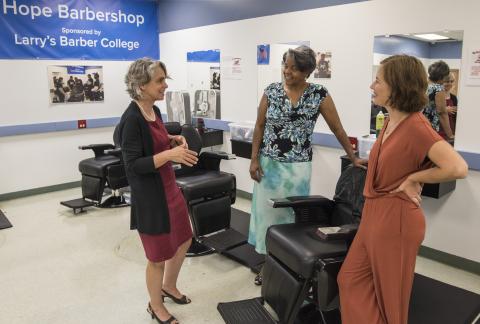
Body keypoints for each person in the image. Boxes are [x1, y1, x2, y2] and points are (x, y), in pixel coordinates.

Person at [337, 54, 468, 324]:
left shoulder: (417, 126)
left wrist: (414, 178)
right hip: (374, 214)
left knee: (390, 301)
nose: (372, 86)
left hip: (396, 220)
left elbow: (458, 167)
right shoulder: (388, 120)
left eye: (378, 80)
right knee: (349, 279)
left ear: (397, 86)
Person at [248, 45, 366, 285]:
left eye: (293, 68)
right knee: (267, 215)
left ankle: (287, 261)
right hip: (269, 166)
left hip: (298, 168)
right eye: (285, 66)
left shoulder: (318, 94)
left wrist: (352, 157)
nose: (286, 71)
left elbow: (338, 128)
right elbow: (259, 127)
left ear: (307, 72)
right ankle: (267, 263)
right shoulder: (271, 91)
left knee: (292, 216)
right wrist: (253, 159)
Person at [119, 58, 199, 324]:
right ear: (141, 85)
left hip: (169, 190)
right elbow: (133, 165)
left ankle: (169, 286)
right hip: (151, 198)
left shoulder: (154, 111)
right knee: (157, 257)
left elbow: (155, 142)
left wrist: (172, 140)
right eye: (160, 81)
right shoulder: (132, 119)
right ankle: (155, 306)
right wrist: (169, 153)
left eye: (165, 79)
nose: (165, 85)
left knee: (184, 239)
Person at [422, 60, 454, 139]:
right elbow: (442, 112)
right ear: (442, 76)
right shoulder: (438, 88)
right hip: (429, 126)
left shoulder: (424, 85)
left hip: (420, 122)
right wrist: (450, 134)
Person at [439, 72, 458, 138]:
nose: (450, 83)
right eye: (447, 81)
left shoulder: (454, 97)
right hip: (437, 132)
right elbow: (428, 113)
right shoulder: (434, 96)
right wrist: (444, 110)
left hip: (450, 133)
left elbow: (455, 117)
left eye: (452, 81)